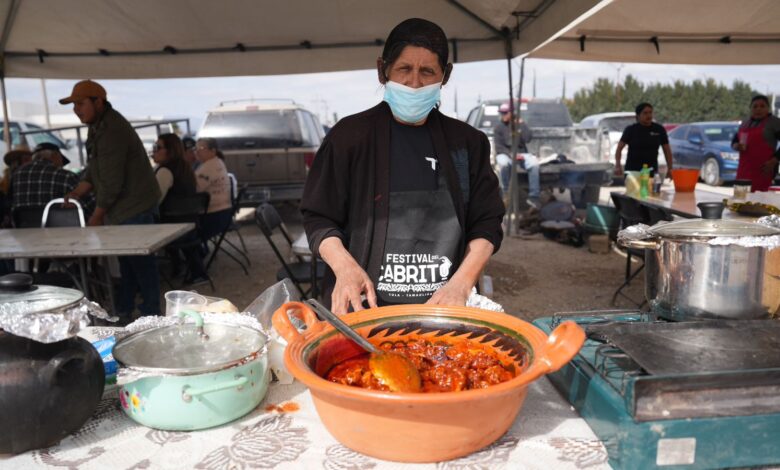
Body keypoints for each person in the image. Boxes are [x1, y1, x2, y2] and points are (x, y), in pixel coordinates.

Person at [301, 18, 504, 314]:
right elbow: (319, 217)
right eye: (404, 69)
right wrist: (344, 268)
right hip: (363, 310)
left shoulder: (468, 143)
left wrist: (461, 284)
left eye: (427, 71)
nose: (414, 83)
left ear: (445, 75)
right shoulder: (348, 137)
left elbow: (487, 224)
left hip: (442, 312)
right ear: (382, 70)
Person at [61, 79, 162, 319]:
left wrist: (97, 215)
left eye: (81, 103)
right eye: (73, 105)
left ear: (99, 102)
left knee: (141, 266)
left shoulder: (112, 130)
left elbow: (111, 182)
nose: (76, 109)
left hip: (135, 206)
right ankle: (125, 313)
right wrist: (77, 193)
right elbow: (94, 170)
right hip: (125, 208)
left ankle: (151, 316)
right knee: (129, 266)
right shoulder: (98, 126)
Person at [152, 133, 209, 285]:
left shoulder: (165, 171)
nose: (154, 151)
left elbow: (155, 200)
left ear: (169, 150)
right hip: (191, 226)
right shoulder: (185, 168)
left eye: (158, 147)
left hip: (172, 229)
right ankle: (181, 267)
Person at [10, 143, 94, 216]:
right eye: (62, 161)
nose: (62, 166)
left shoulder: (16, 174)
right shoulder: (66, 176)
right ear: (55, 155)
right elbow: (90, 206)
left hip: (23, 230)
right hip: (59, 232)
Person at [493, 103, 540, 207]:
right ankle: (506, 192)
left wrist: (522, 124)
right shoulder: (498, 128)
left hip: (522, 153)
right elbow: (498, 147)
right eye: (502, 113)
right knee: (504, 164)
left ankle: (534, 196)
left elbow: (528, 138)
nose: (503, 115)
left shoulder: (519, 124)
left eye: (505, 113)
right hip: (505, 153)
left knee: (534, 164)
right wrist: (510, 154)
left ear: (512, 113)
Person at [732, 95, 780, 192]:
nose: (758, 109)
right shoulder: (745, 123)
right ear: (750, 108)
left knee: (759, 203)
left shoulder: (774, 123)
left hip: (763, 171)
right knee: (740, 201)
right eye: (755, 106)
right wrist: (736, 146)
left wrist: (774, 161)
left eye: (762, 106)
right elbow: (734, 141)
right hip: (743, 171)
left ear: (768, 108)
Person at [614, 102, 673, 176]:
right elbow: (619, 148)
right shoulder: (631, 130)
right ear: (638, 116)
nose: (649, 115)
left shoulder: (659, 129)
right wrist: (617, 165)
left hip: (651, 170)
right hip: (633, 171)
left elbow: (667, 149)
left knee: (650, 187)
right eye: (645, 113)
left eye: (650, 112)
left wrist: (670, 168)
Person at [194, 137, 233, 241]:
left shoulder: (210, 166)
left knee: (182, 231)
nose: (197, 152)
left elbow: (195, 189)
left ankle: (195, 255)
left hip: (213, 217)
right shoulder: (217, 162)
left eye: (201, 148)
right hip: (223, 214)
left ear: (213, 151)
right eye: (195, 148)